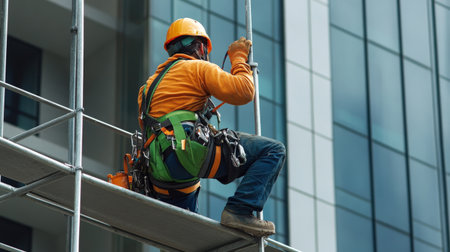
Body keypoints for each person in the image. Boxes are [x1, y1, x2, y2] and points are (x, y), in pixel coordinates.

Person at [137, 17, 286, 237]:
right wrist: (238, 58)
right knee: (273, 151)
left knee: (183, 239)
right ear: (200, 47)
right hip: (185, 156)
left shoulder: (148, 87)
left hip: (160, 171)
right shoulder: (198, 68)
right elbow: (244, 91)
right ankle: (240, 209)